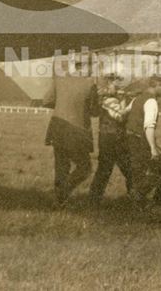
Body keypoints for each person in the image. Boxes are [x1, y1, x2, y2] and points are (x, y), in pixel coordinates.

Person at [42, 56, 98, 207]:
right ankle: (61, 194)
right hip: (76, 130)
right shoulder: (90, 84)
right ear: (85, 67)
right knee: (85, 168)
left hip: (57, 127)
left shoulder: (60, 79)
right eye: (92, 67)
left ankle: (59, 201)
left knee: (61, 166)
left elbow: (47, 101)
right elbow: (95, 111)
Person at [124, 75, 161, 207]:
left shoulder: (137, 98)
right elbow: (149, 126)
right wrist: (153, 149)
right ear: (159, 85)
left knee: (138, 171)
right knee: (159, 173)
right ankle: (137, 195)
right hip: (141, 140)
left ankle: (138, 205)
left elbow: (124, 113)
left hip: (131, 138)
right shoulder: (151, 102)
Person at [87, 73, 132, 206]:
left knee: (106, 170)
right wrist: (128, 103)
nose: (118, 87)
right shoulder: (109, 100)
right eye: (115, 84)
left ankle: (93, 200)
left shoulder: (110, 99)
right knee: (125, 170)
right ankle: (135, 199)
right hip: (112, 138)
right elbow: (120, 117)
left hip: (109, 138)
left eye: (119, 84)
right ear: (108, 84)